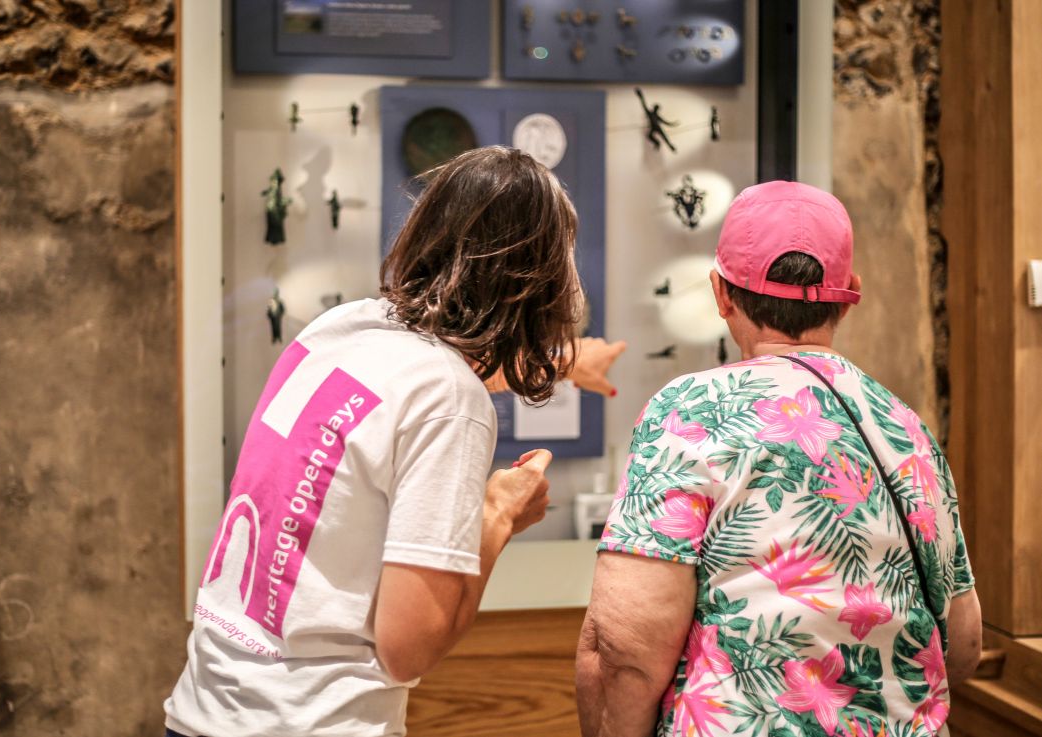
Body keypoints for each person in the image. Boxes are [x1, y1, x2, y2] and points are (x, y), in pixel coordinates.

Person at [164, 146, 624, 737]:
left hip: (204, 711)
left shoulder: (343, 328)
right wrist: (499, 514)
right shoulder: (451, 402)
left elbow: (430, 376)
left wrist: (566, 362)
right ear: (538, 281)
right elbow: (408, 648)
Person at [576, 181, 982, 737]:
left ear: (721, 294)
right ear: (849, 295)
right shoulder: (906, 426)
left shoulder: (691, 412)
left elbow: (626, 646)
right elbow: (963, 645)